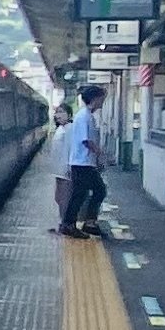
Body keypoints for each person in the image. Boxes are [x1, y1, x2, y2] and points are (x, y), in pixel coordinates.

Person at [56, 82, 108, 237]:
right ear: (94, 98)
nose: (102, 102)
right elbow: (86, 141)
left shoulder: (87, 116)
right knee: (95, 191)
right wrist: (101, 154)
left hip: (84, 162)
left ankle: (80, 223)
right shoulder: (83, 116)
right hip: (81, 163)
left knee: (82, 193)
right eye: (101, 98)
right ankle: (76, 224)